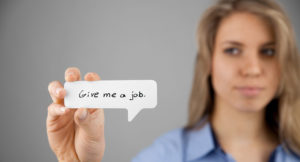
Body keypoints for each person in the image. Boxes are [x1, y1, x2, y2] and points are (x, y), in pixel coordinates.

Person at [46, 0, 300, 161]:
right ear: (208, 62)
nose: (253, 68)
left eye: (269, 51)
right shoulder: (164, 156)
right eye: (232, 50)